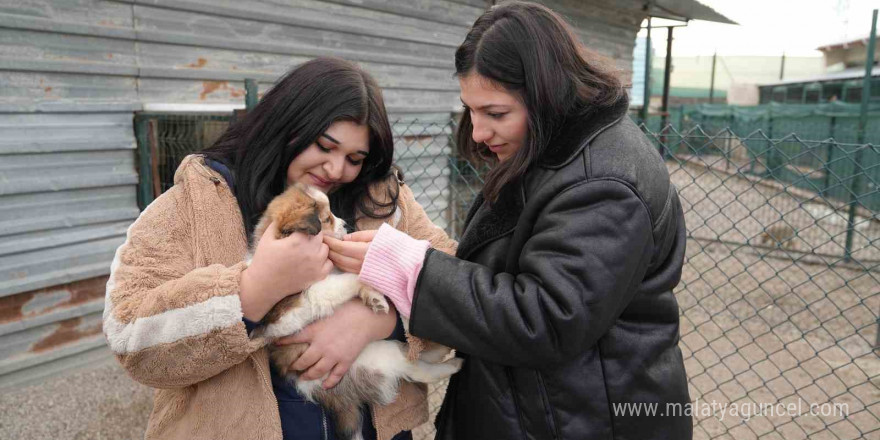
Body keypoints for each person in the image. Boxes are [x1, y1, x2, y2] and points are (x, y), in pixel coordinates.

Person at [326, 2, 692, 439]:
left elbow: (547, 321)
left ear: (547, 92)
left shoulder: (602, 184)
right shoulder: (556, 155)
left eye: (495, 113)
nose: (478, 132)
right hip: (544, 410)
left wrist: (414, 270)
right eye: (471, 110)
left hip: (580, 420)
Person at [102, 57, 456, 440]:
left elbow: (463, 292)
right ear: (288, 124)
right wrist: (255, 290)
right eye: (325, 146)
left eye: (355, 158)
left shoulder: (382, 199)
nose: (336, 170)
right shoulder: (193, 204)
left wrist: (382, 321)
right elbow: (130, 338)